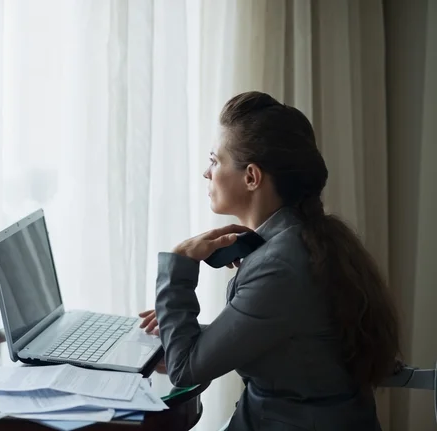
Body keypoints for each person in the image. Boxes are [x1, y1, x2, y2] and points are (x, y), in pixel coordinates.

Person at [139, 91, 401, 430]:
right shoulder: (303, 238)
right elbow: (291, 340)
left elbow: (186, 370)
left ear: (251, 176)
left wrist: (179, 263)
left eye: (214, 161)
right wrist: (182, 336)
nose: (207, 173)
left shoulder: (279, 264)